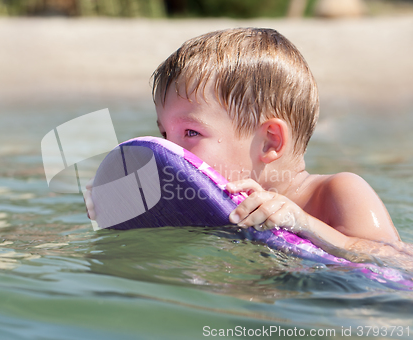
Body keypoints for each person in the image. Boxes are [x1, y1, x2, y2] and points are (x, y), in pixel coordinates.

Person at [88, 27, 412, 265]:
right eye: (164, 134)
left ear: (270, 141)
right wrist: (125, 213)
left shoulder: (337, 191)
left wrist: (303, 224)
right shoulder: (212, 204)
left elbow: (393, 260)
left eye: (189, 133)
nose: (173, 152)